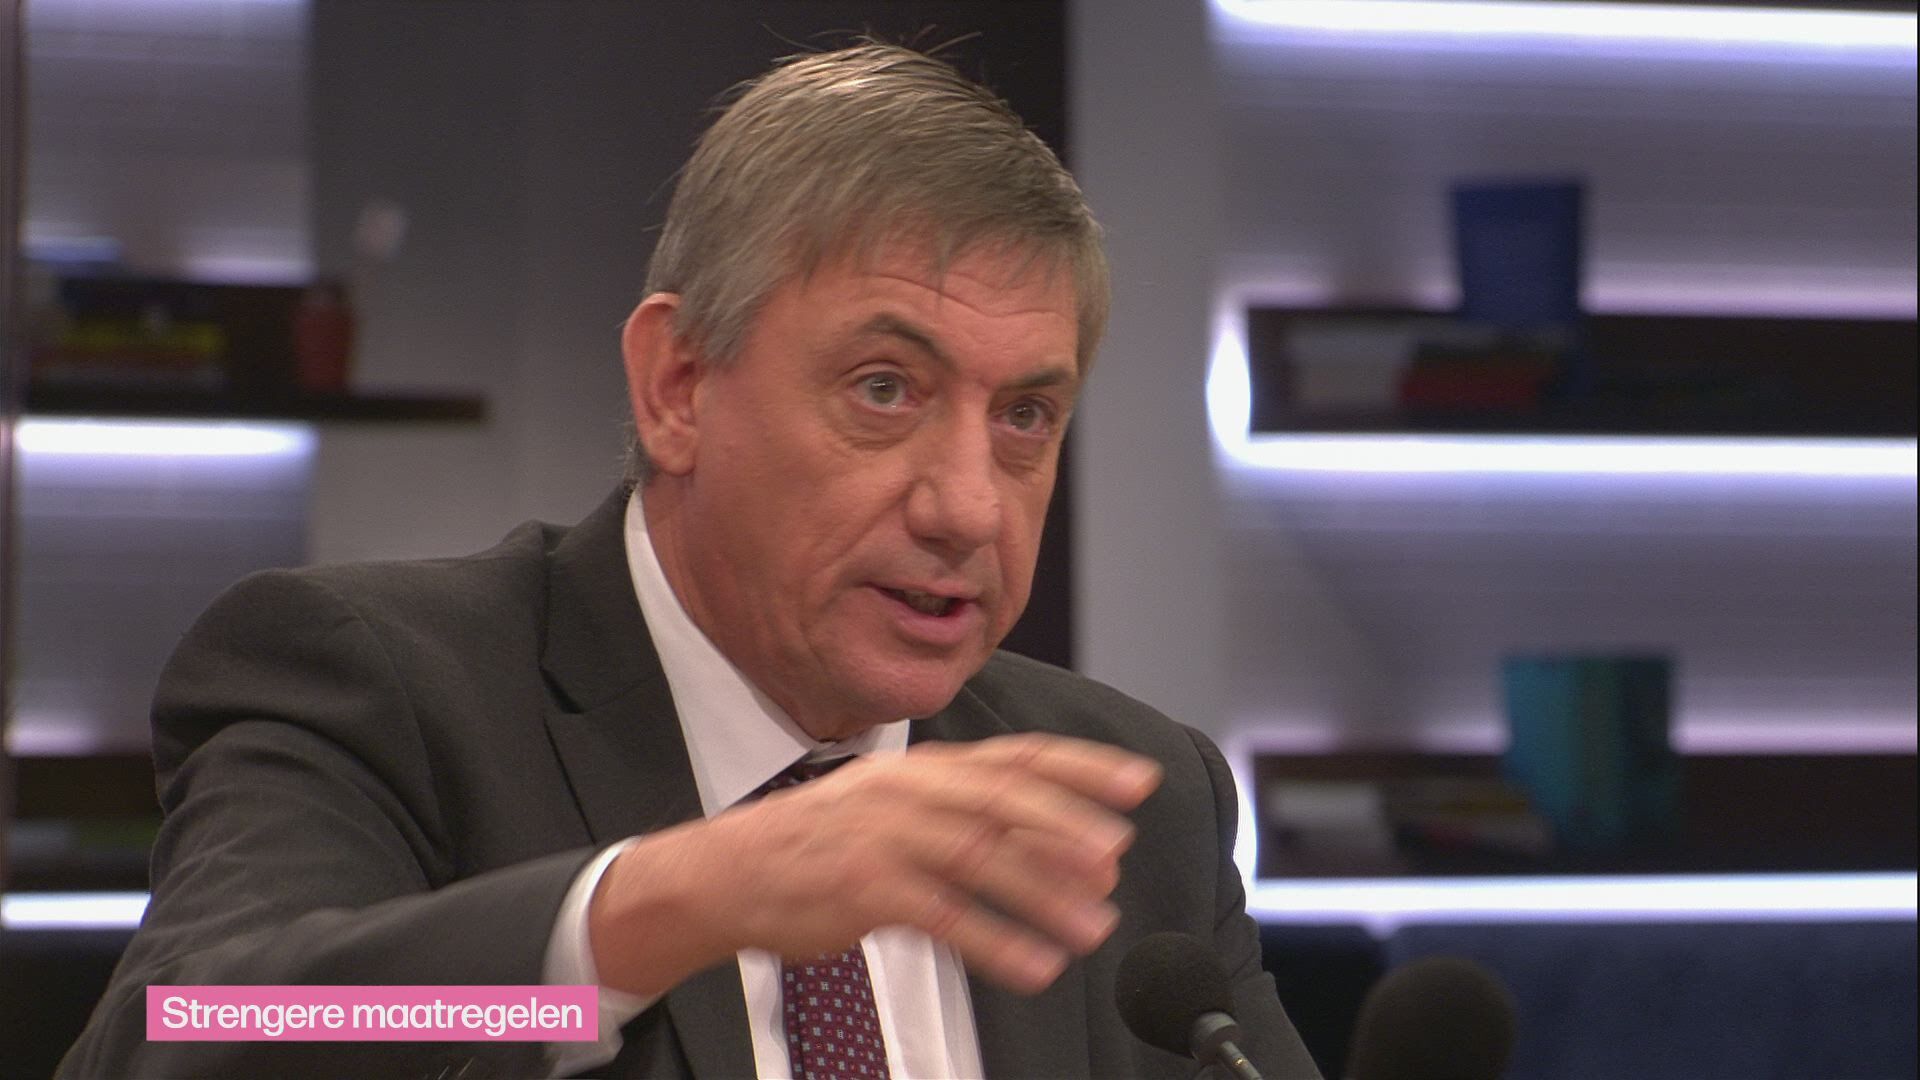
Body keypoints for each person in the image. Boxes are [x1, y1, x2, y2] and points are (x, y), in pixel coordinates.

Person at [61, 43, 1321, 1079]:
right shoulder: (383, 691)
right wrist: (666, 906)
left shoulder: (1138, 801)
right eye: (885, 388)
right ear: (677, 386)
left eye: (1026, 416)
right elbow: (189, 1039)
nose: (968, 508)